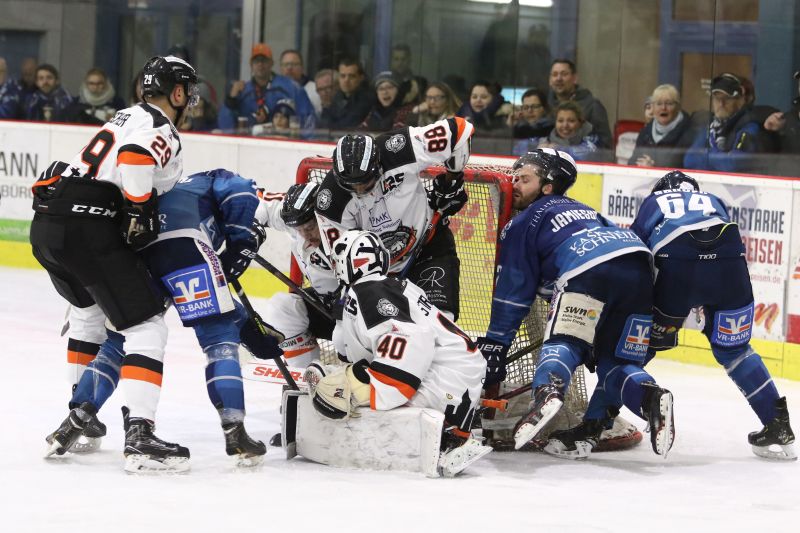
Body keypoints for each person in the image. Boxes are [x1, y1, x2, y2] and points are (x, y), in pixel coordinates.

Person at [32, 55, 199, 472]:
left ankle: (82, 419)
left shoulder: (123, 116)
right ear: (177, 92)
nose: (190, 101)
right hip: (90, 227)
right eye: (187, 92)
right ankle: (140, 436)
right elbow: (137, 159)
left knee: (88, 316)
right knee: (145, 325)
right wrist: (141, 210)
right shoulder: (160, 127)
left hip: (49, 228)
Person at [55, 168, 281, 467]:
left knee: (120, 341)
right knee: (219, 339)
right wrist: (242, 239)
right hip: (186, 246)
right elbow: (240, 190)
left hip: (140, 255)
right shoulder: (223, 178)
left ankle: (75, 420)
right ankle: (235, 431)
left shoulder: (179, 186)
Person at [476, 148, 675, 459]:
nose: (513, 183)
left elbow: (514, 289)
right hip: (638, 267)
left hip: (590, 267)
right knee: (617, 363)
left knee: (565, 340)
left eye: (524, 178)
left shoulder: (527, 219)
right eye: (513, 176)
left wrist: (497, 343)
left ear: (547, 186)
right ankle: (650, 396)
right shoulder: (586, 209)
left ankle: (548, 393)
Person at [630, 170, 796, 461]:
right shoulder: (713, 199)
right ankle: (776, 423)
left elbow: (637, 248)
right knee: (735, 351)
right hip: (731, 271)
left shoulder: (655, 200)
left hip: (678, 269)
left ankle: (600, 419)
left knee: (642, 345)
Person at [309, 230, 492, 477]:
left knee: (363, 404)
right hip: (456, 368)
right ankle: (454, 434)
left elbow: (409, 337)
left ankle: (450, 441)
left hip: (445, 374)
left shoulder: (369, 291)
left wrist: (375, 385)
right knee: (359, 386)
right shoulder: (390, 286)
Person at [314, 117, 473, 320]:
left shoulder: (399, 148)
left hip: (430, 244)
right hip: (380, 273)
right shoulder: (330, 203)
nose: (360, 190)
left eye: (366, 182)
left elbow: (460, 129)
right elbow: (343, 257)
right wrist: (347, 295)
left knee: (442, 320)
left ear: (378, 165)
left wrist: (452, 181)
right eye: (352, 187)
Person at [255, 182, 340, 368]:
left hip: (358, 311)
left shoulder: (346, 227)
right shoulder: (297, 219)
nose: (305, 235)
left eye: (309, 227)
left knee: (348, 341)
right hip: (328, 305)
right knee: (283, 307)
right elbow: (258, 201)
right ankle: (304, 378)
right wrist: (251, 227)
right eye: (299, 229)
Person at [218, 43, 315, 132]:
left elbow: (309, 120)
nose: (260, 64)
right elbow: (225, 126)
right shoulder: (243, 91)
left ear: (271, 63)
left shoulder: (290, 86)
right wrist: (231, 98)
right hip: (250, 145)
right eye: (256, 61)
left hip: (283, 144)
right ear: (251, 65)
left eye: (264, 60)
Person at [683, 73, 764, 173]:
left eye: (727, 98)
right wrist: (720, 158)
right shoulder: (710, 128)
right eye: (717, 98)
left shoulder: (749, 126)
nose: (721, 103)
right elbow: (689, 160)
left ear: (739, 101)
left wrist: (706, 154)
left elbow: (733, 165)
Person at [547, 59, 612, 149]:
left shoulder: (592, 105)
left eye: (564, 74)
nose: (558, 78)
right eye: (554, 74)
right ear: (550, 80)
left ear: (575, 78)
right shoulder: (545, 105)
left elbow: (606, 147)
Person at [628, 84, 695, 168]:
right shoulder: (646, 132)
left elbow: (687, 168)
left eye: (669, 103)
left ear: (678, 107)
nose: (663, 108)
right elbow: (632, 162)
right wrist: (640, 165)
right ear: (653, 107)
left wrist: (654, 168)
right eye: (659, 104)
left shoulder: (689, 133)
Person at [517, 101, 600, 160]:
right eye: (560, 121)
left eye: (571, 121)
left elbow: (588, 154)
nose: (565, 125)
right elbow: (518, 147)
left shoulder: (590, 138)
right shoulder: (546, 138)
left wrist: (557, 150)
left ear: (580, 122)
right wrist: (536, 148)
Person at [319, 57, 374, 130]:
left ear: (361, 78)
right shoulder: (337, 96)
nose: (346, 80)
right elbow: (324, 123)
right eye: (343, 76)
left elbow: (349, 124)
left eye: (351, 76)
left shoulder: (367, 99)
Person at [279, 49, 319, 116]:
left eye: (294, 64)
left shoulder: (315, 89)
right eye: (286, 64)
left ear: (302, 68)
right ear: (280, 68)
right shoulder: (273, 90)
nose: (289, 68)